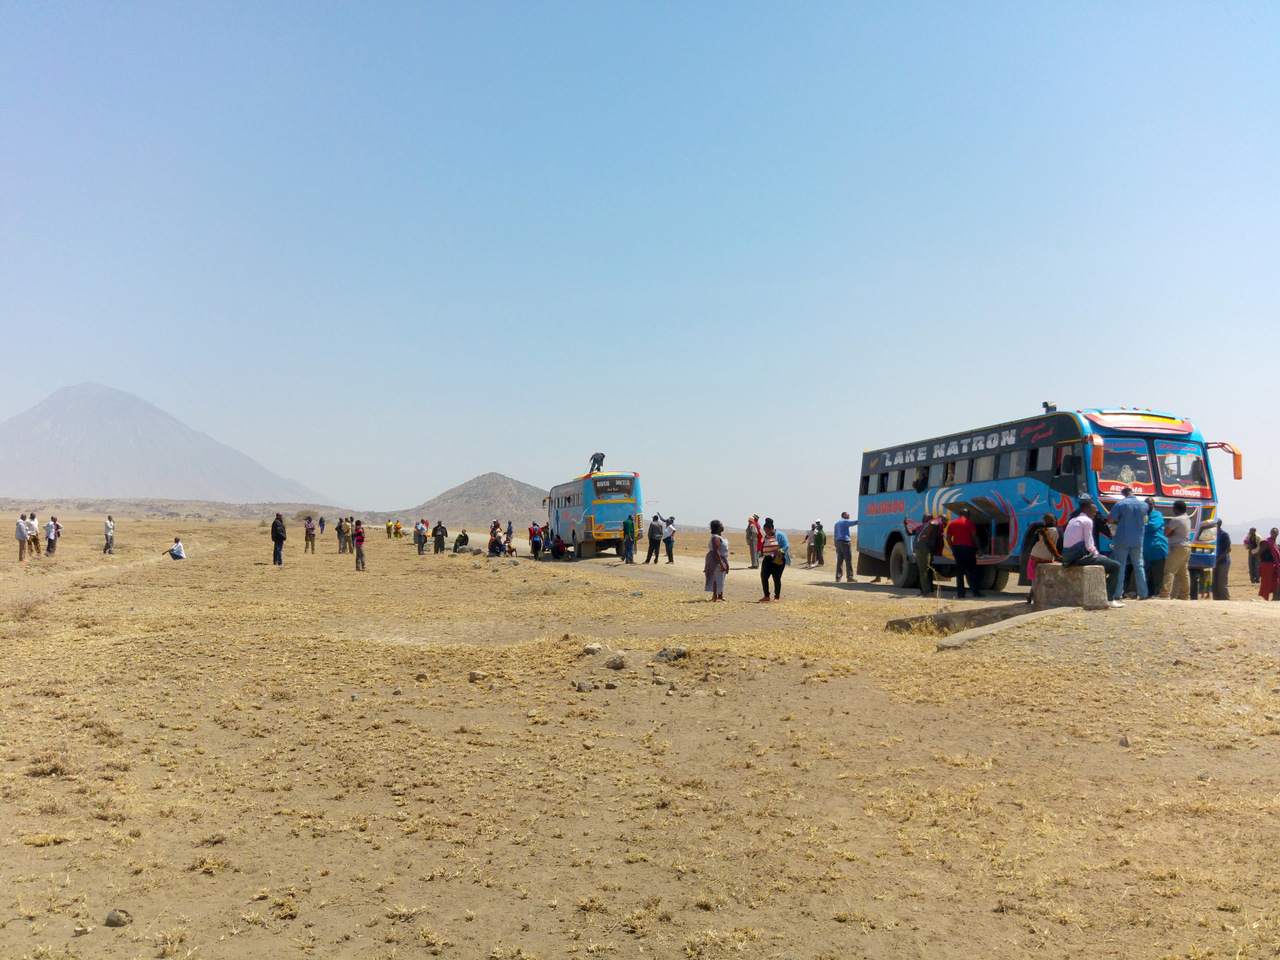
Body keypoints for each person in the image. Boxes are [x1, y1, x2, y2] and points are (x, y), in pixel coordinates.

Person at [1061, 501, 1123, 607]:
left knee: (1105, 564)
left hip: (1067, 557)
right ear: (1087, 510)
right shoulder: (1087, 521)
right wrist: (1098, 555)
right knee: (1115, 566)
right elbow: (1089, 545)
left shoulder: (1073, 520)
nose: (1095, 514)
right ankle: (1110, 599)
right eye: (1094, 512)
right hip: (1079, 557)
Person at [1107, 487, 1149, 601]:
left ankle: (1117, 594)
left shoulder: (1120, 504)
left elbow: (1110, 520)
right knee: (1139, 566)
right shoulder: (1144, 505)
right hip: (1137, 539)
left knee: (1120, 566)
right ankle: (1143, 593)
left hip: (1122, 538)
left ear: (1123, 494)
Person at [945, 507, 983, 599]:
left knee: (960, 572)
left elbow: (948, 538)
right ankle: (975, 592)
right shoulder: (969, 522)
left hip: (957, 549)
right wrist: (978, 548)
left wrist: (953, 548)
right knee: (972, 571)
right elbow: (974, 536)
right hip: (968, 548)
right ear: (967, 515)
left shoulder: (952, 523)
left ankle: (961, 594)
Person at [1025, 513, 1061, 605]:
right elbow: (1059, 546)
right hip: (1047, 558)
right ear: (1055, 521)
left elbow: (1032, 543)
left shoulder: (1039, 531)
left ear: (1044, 522)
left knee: (1033, 575)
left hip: (1035, 556)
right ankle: (1031, 593)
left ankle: (1032, 593)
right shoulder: (1059, 531)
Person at [1160, 500, 1193, 600]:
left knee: (1169, 570)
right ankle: (1185, 595)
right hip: (1186, 546)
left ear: (1177, 509)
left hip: (1178, 547)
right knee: (1183, 572)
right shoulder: (1187, 518)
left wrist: (1170, 532)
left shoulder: (1176, 520)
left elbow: (1166, 533)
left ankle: (1165, 593)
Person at [909, 514, 945, 597]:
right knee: (924, 570)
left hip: (922, 548)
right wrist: (927, 535)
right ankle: (926, 592)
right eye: (945, 521)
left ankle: (926, 591)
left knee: (926, 570)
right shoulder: (937, 521)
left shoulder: (924, 525)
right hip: (923, 549)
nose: (945, 524)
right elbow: (933, 523)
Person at [758, 518, 790, 602]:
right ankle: (766, 596)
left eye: (767, 531)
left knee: (776, 577)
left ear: (771, 528)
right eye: (765, 531)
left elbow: (786, 546)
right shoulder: (767, 537)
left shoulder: (781, 535)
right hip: (767, 558)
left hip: (777, 558)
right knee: (764, 576)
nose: (766, 533)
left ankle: (777, 597)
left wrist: (776, 553)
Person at [1142, 498, 1168, 599]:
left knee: (1158, 573)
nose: (1148, 506)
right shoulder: (1143, 515)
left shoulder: (1157, 515)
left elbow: (1153, 526)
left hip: (1157, 547)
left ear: (1154, 505)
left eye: (1150, 504)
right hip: (1146, 549)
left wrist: (1141, 526)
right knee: (1147, 573)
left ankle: (1158, 593)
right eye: (1147, 504)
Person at [704, 520, 730, 601]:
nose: (723, 526)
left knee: (721, 578)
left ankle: (720, 596)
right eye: (721, 525)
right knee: (717, 577)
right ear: (717, 527)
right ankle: (715, 596)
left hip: (723, 558)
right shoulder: (715, 537)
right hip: (716, 560)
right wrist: (721, 564)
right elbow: (716, 551)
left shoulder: (721, 536)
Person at [833, 511, 857, 583]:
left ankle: (838, 577)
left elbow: (835, 535)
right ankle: (849, 577)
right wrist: (863, 519)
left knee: (840, 561)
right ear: (844, 515)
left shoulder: (837, 523)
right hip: (845, 542)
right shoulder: (845, 522)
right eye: (847, 514)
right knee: (848, 560)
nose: (849, 515)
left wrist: (836, 546)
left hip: (838, 542)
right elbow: (853, 523)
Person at [1211, 521, 1231, 600]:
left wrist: (1219, 559)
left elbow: (1228, 549)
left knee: (1222, 583)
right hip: (1214, 561)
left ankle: (1225, 600)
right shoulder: (1212, 534)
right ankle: (1216, 600)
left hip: (1223, 561)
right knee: (1214, 583)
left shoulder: (1224, 535)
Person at [1260, 528, 1280, 601]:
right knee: (1266, 582)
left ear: (1277, 534)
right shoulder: (1266, 542)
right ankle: (1266, 598)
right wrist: (1265, 561)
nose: (1273, 534)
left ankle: (1275, 598)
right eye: (1272, 532)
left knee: (1275, 582)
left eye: (1275, 533)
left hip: (1274, 566)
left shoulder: (1274, 543)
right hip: (1266, 564)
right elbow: (1259, 553)